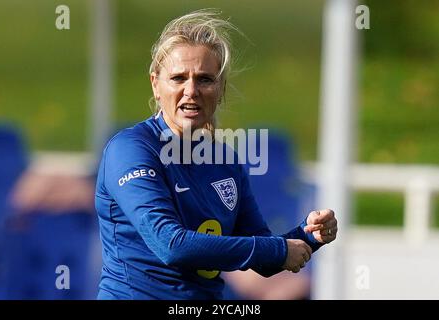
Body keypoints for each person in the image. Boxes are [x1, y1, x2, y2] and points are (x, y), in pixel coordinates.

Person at [95, 8, 337, 300]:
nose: (191, 90)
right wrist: (277, 250)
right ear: (155, 85)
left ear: (221, 88)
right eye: (178, 78)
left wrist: (307, 236)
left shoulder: (225, 161)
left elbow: (259, 248)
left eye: (205, 79)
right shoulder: (131, 149)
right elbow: (171, 245)